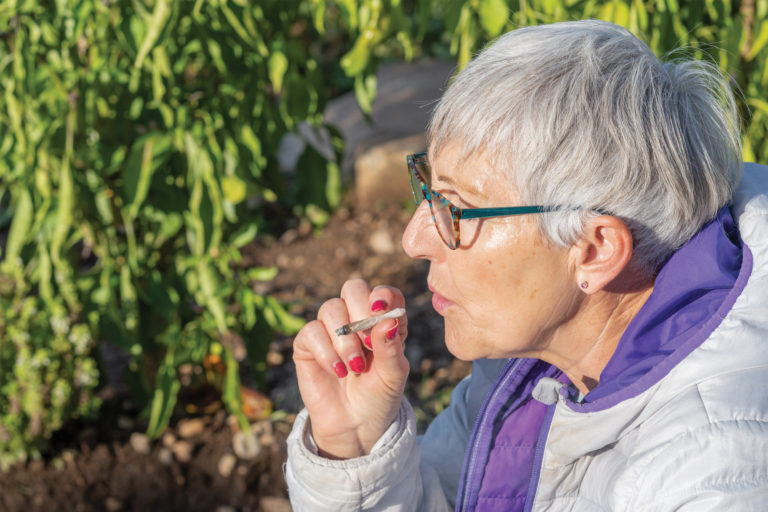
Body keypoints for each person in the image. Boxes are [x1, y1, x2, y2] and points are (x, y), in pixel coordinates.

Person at [284, 20, 768, 511]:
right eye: (429, 189)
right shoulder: (535, 353)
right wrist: (357, 448)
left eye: (456, 208)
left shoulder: (718, 477)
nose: (414, 240)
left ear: (595, 250)